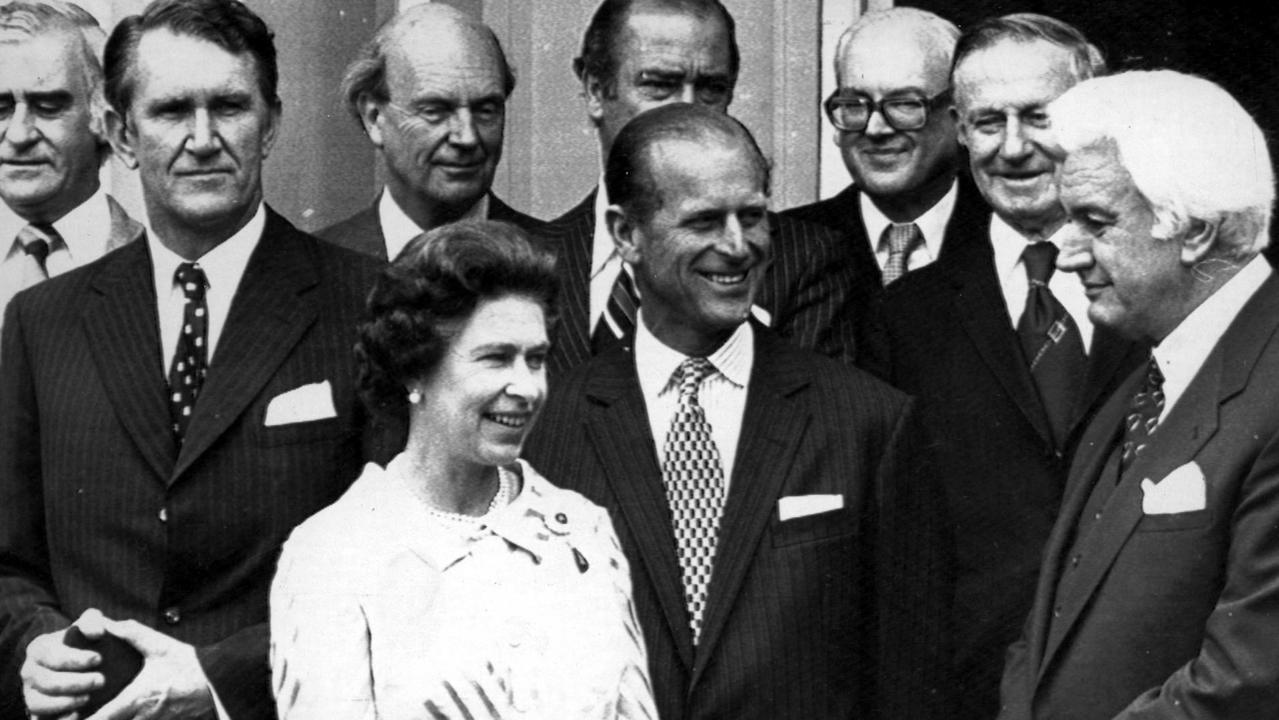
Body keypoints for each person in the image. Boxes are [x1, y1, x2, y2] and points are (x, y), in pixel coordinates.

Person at [0, 1, 387, 717]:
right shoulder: (40, 323)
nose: (203, 139)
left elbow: (403, 570)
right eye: (172, 110)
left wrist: (220, 678)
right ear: (119, 133)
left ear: (271, 124)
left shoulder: (367, 305)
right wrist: (38, 647)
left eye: (230, 107)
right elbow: (9, 564)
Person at [524, 103, 950, 720]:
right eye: (703, 221)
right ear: (626, 234)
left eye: (752, 217)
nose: (737, 246)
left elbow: (909, 682)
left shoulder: (867, 423)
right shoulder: (549, 429)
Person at [271, 220, 656, 719]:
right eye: (496, 358)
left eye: (535, 359)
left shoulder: (582, 531)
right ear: (415, 367)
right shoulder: (333, 555)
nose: (527, 387)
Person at [878, 14, 1146, 719]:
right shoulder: (903, 317)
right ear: (958, 131)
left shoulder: (1160, 295)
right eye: (986, 122)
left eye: (1038, 118)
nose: (1014, 148)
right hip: (971, 695)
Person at [998, 69, 1279, 720]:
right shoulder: (1146, 373)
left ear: (1197, 229)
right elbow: (1045, 629)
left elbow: (1246, 683)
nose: (1063, 254)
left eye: (1093, 222)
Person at [543, 0, 864, 375]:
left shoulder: (801, 263)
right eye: (659, 85)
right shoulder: (528, 262)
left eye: (711, 88)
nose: (688, 109)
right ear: (595, 90)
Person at [318, 3, 546, 262]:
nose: (467, 137)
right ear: (374, 117)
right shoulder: (313, 266)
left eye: (485, 110)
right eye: (436, 111)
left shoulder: (561, 262)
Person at [783, 7, 987, 289]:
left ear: (959, 113)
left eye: (905, 103)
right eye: (854, 104)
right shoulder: (784, 245)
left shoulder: (1009, 235)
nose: (875, 129)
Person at [0, 0, 142, 339]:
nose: (19, 134)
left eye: (48, 107)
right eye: (0, 109)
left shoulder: (166, 267)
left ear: (107, 119)